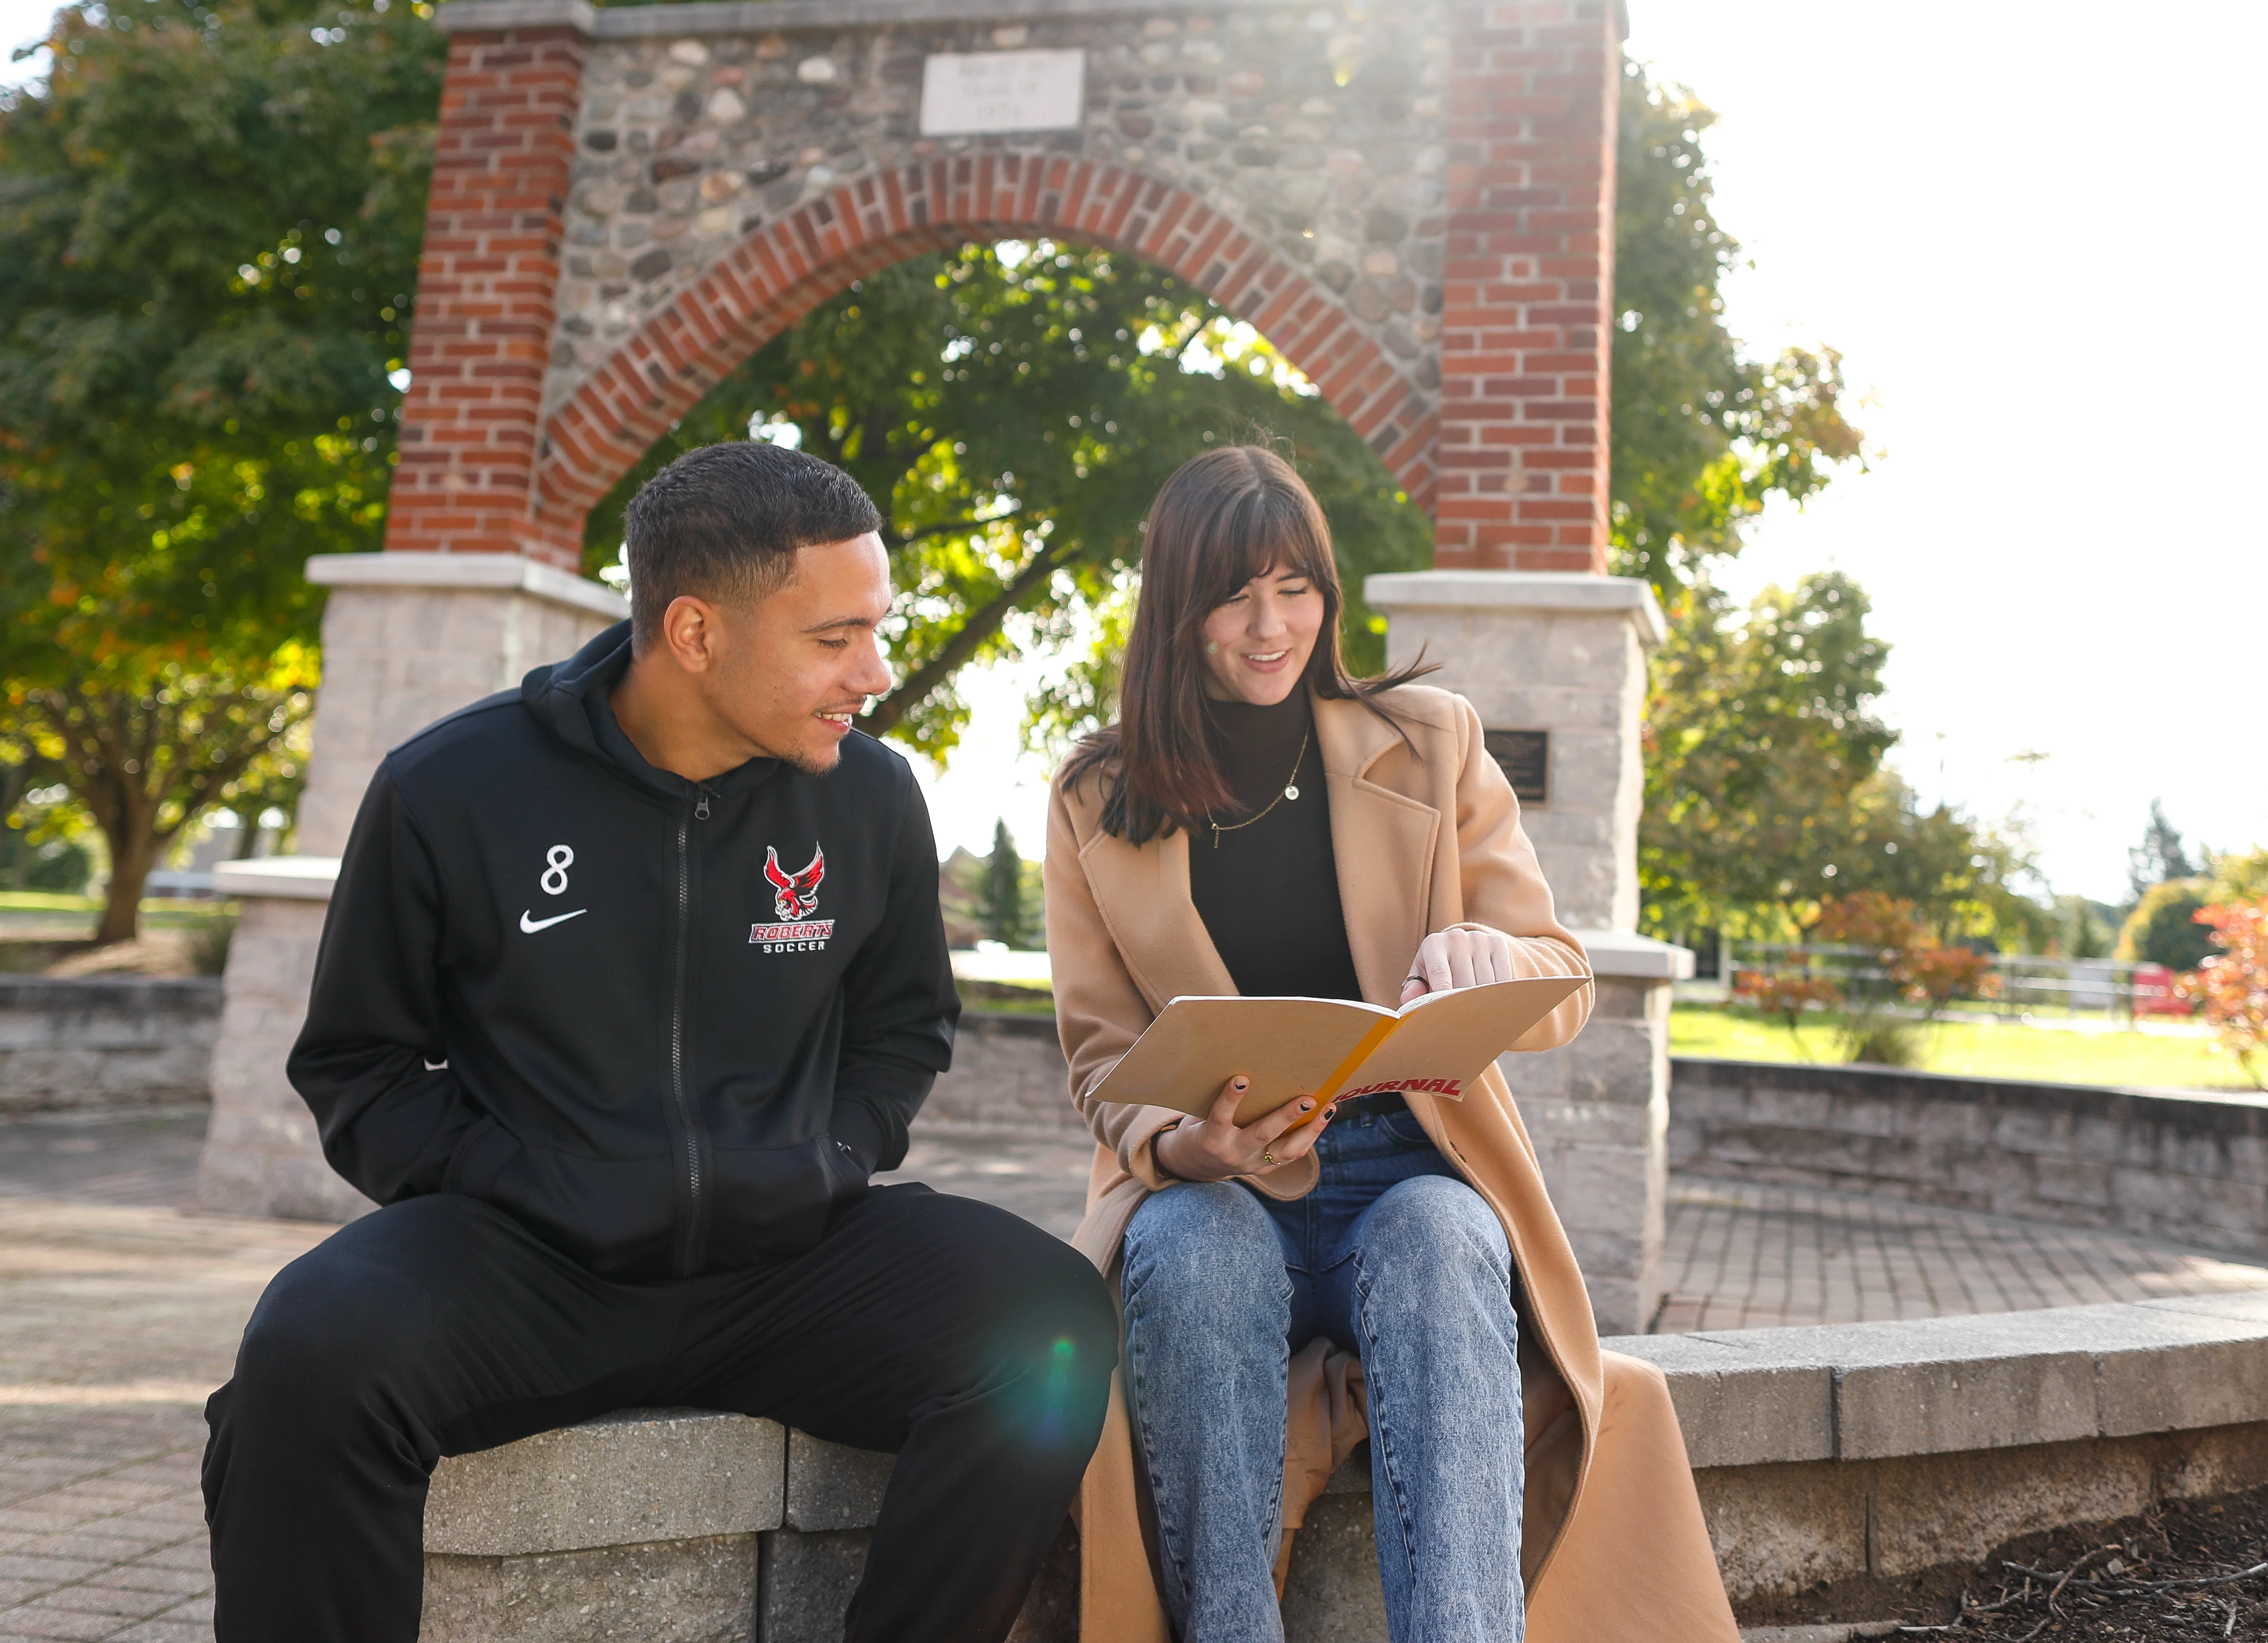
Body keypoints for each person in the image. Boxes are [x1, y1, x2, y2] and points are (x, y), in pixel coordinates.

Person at [204, 442, 1113, 1643]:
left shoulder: (870, 795)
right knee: (309, 1350)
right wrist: (529, 1183)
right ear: (694, 631)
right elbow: (358, 1065)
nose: (875, 672)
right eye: (834, 637)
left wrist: (828, 1157)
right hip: (529, 1265)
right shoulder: (451, 786)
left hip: (790, 1259)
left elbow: (904, 1026)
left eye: (877, 628)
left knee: (1048, 1317)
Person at [1046, 446, 1736, 1643]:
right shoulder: (1095, 795)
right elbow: (1102, 1059)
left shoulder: (1431, 736)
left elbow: (1561, 978)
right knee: (1193, 1250)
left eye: (1296, 586)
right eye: (1234, 594)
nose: (1273, 626)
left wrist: (1487, 950)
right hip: (1215, 1180)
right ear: (1175, 607)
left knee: (1446, 1232)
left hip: (1408, 1162)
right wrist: (1188, 1144)